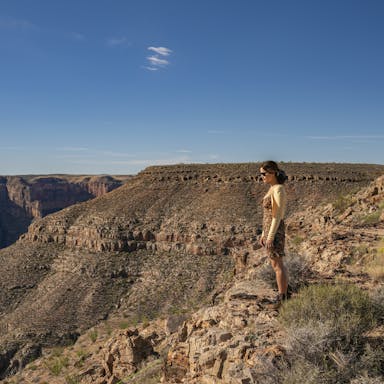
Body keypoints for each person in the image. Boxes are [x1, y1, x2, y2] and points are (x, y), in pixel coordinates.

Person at [259, 161, 289, 308]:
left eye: (264, 174)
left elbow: (277, 216)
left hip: (276, 231)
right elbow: (267, 215)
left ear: (273, 173)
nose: (262, 176)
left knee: (278, 264)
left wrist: (271, 235)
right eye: (261, 174)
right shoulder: (272, 188)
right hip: (270, 230)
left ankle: (282, 297)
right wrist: (264, 233)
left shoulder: (278, 189)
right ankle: (281, 294)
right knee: (274, 263)